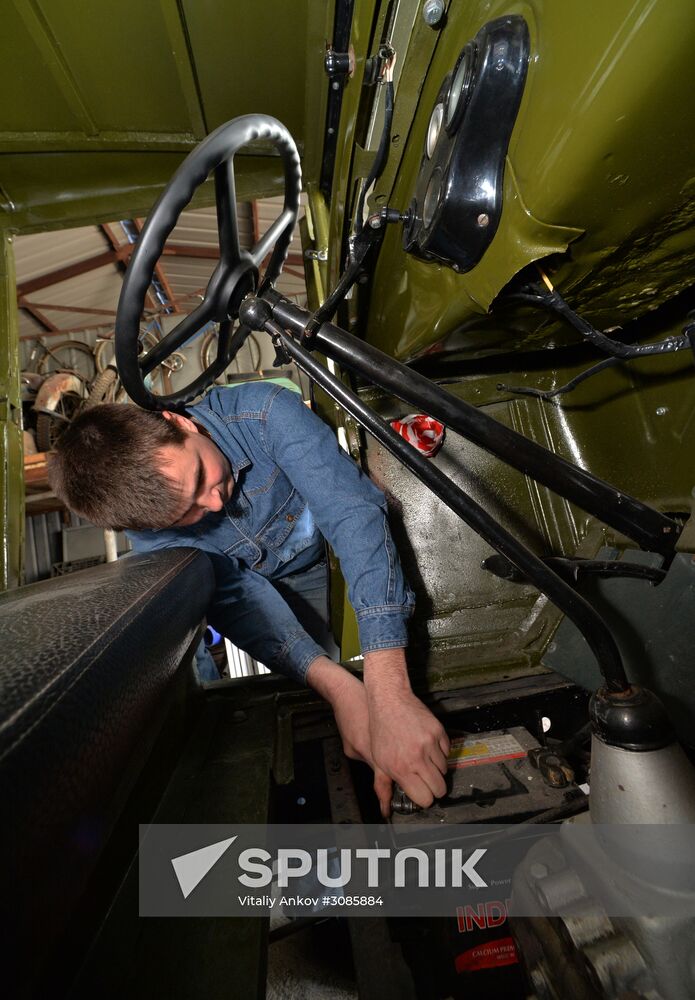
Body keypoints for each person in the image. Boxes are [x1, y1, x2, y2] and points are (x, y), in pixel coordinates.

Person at [48, 381, 449, 815]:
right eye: (188, 515)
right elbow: (238, 597)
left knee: (401, 664)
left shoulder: (263, 411)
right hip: (281, 591)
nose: (215, 504)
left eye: (201, 477)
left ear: (178, 422)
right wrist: (342, 693)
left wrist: (388, 693)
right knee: (345, 677)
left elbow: (351, 514)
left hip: (339, 542)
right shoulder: (148, 534)